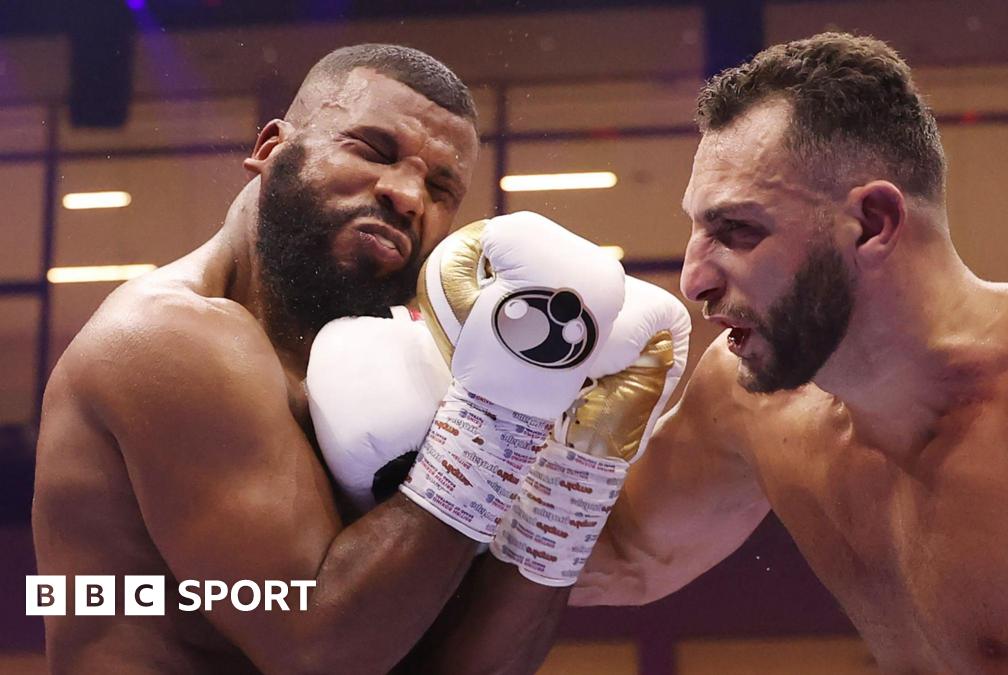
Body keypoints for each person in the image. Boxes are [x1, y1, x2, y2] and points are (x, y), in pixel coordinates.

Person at [573, 33, 1008, 673]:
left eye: (737, 230)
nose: (693, 278)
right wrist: (488, 431)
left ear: (873, 223)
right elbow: (619, 555)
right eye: (698, 230)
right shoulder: (747, 400)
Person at [33, 43, 650, 674]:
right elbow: (318, 652)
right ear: (272, 149)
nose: (408, 194)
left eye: (441, 187)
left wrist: (576, 476)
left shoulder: (392, 375)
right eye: (373, 150)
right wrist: (496, 423)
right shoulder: (169, 336)